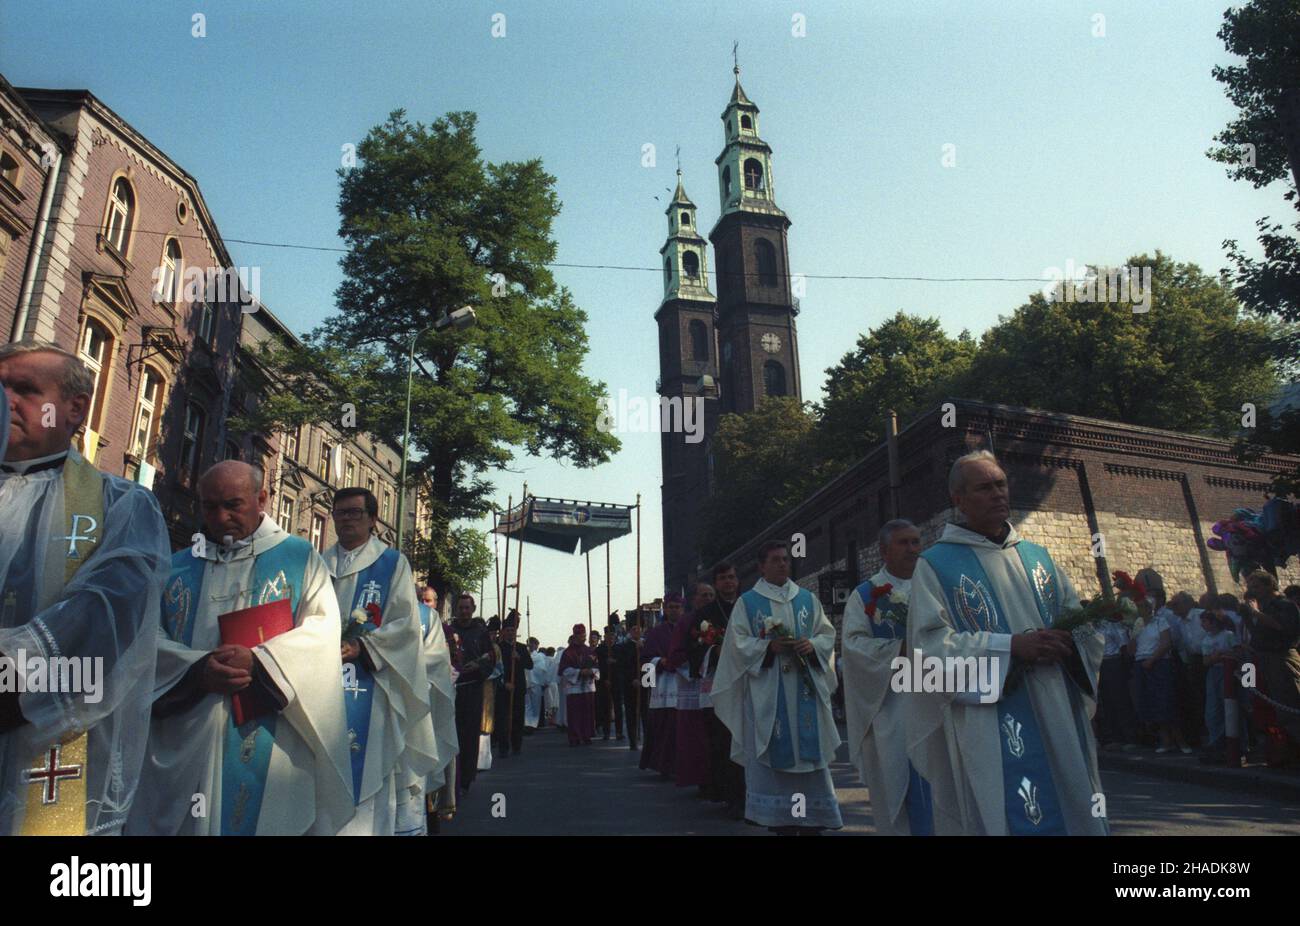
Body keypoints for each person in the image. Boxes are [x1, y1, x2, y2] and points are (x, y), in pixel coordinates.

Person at [0, 342, 169, 835]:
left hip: (45, 729)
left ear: (76, 409)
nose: (6, 401)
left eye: (26, 390)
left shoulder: (122, 505)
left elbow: (106, 610)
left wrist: (13, 678)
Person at [130, 461, 352, 835]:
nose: (221, 517)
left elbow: (322, 630)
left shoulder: (299, 558)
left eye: (233, 504)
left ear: (262, 499)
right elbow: (145, 635)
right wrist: (197, 669)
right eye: (210, 506)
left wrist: (261, 661)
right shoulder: (179, 565)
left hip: (269, 734)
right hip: (187, 730)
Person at [904, 450, 1106, 836]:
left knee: (1074, 807)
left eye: (1001, 484)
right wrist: (1010, 648)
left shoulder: (1038, 558)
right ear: (958, 500)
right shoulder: (935, 565)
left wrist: (1070, 641)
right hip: (990, 722)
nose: (998, 494)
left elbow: (1082, 626)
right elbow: (926, 653)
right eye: (984, 488)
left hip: (1059, 711)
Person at [325, 487, 436, 835]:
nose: (345, 519)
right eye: (339, 512)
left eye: (354, 513)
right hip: (321, 685)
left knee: (369, 772)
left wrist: (364, 647)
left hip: (371, 686)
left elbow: (405, 627)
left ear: (373, 519)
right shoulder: (317, 562)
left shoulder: (391, 564)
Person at [712, 540, 842, 834]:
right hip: (768, 696)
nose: (783, 564)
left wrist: (814, 645)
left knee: (810, 762)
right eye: (775, 560)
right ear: (762, 566)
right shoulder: (748, 603)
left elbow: (826, 635)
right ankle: (780, 821)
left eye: (785, 559)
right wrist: (768, 647)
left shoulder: (808, 599)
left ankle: (810, 822)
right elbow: (736, 646)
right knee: (775, 759)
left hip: (805, 690)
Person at [842, 518, 933, 836]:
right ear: (883, 551)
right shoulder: (866, 596)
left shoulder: (935, 586)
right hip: (894, 712)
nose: (912, 549)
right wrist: (900, 649)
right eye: (904, 543)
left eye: (916, 541)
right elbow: (853, 649)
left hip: (940, 705)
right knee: (904, 793)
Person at [694, 562, 745, 816]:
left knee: (746, 739)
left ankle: (749, 793)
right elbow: (694, 648)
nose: (729, 582)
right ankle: (730, 796)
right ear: (716, 582)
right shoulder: (705, 614)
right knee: (723, 740)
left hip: (746, 683)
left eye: (732, 577)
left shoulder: (747, 606)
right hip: (718, 685)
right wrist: (714, 651)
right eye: (723, 578)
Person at [1239, 570, 1300, 756]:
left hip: (1281, 657)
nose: (1252, 590)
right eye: (1249, 587)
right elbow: (1256, 633)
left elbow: (1280, 627)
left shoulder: (1284, 605)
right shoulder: (1260, 607)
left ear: (1268, 585)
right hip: (1262, 658)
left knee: (1290, 702)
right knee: (1272, 707)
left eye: (1256, 586)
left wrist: (1256, 613)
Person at [670, 581, 716, 794]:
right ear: (693, 599)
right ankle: (701, 780)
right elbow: (676, 655)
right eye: (703, 595)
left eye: (710, 595)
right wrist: (698, 665)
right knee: (696, 738)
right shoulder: (686, 622)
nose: (708, 599)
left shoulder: (719, 617)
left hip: (717, 684)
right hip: (694, 684)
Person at [448, 593, 495, 795]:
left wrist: (479, 664)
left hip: (473, 688)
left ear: (473, 609)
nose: (464, 612)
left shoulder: (480, 633)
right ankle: (450, 778)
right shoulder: (448, 631)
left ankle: (466, 779)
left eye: (467, 608)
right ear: (456, 610)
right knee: (452, 734)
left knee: (469, 736)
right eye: (461, 608)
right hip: (451, 689)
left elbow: (491, 658)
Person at [1128, 597, 1188, 753]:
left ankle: (1181, 740)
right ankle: (1165, 740)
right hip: (1141, 662)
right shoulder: (1138, 624)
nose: (1141, 610)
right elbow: (1131, 650)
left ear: (1150, 608)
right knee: (1151, 703)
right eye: (1138, 607)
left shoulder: (1160, 622)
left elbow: (1166, 642)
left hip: (1159, 663)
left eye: (1144, 606)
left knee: (1166, 700)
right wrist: (1134, 635)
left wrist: (1152, 659)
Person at [639, 595, 683, 777]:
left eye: (677, 607)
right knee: (664, 728)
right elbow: (645, 661)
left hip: (685, 683)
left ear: (682, 608)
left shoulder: (690, 629)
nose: (674, 610)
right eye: (671, 607)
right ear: (665, 608)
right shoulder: (655, 633)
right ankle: (664, 766)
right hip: (663, 687)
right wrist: (660, 662)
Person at [1097, 600, 1139, 750]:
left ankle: (1130, 737)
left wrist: (1125, 666)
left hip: (1113, 662)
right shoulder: (1094, 627)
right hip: (1101, 663)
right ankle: (1116, 736)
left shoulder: (1113, 625)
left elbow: (1123, 645)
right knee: (1107, 701)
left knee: (1120, 699)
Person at [493, 613, 533, 756]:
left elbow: (530, 665)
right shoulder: (498, 647)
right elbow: (495, 669)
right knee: (502, 718)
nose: (510, 633)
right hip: (504, 687)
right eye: (508, 630)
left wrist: (519, 658)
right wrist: (504, 684)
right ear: (503, 631)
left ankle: (517, 745)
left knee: (517, 717)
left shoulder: (521, 648)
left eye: (512, 630)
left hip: (518, 686)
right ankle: (503, 747)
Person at [1199, 609, 1237, 761]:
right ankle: (1215, 742)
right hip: (1214, 673)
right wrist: (1217, 657)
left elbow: (1238, 652)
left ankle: (1237, 743)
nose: (1202, 625)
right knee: (1213, 710)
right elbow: (1206, 661)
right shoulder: (1206, 640)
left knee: (1231, 707)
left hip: (1229, 673)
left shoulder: (1228, 635)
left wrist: (1225, 655)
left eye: (1205, 621)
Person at [559, 625, 599, 745]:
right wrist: (579, 672)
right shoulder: (567, 653)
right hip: (574, 688)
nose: (584, 638)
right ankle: (575, 737)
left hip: (587, 686)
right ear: (575, 636)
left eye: (585, 635)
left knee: (588, 712)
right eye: (582, 636)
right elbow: (564, 670)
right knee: (574, 713)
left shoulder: (590, 651)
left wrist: (591, 671)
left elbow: (597, 666)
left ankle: (587, 735)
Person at [614, 620, 644, 750]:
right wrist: (632, 679)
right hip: (630, 685)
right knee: (631, 713)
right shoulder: (624, 647)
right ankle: (633, 740)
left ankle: (648, 740)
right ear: (629, 631)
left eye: (638, 628)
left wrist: (647, 681)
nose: (636, 631)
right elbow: (622, 667)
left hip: (646, 684)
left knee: (647, 713)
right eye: (633, 628)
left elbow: (650, 663)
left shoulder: (647, 645)